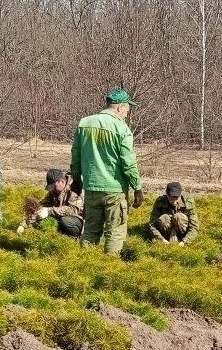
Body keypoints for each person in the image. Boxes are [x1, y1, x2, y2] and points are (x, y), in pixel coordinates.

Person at [69, 88, 143, 255]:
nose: (127, 113)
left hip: (91, 187)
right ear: (120, 107)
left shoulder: (84, 123)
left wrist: (77, 180)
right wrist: (137, 187)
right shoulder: (122, 129)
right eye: (127, 109)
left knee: (90, 230)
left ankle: (86, 265)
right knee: (115, 232)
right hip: (115, 190)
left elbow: (76, 155)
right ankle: (109, 266)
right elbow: (128, 163)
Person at [17, 169, 84, 236]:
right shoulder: (54, 191)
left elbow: (73, 210)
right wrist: (24, 225)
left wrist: (49, 211)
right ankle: (60, 234)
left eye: (54, 187)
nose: (52, 189)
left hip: (78, 219)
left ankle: (76, 237)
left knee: (65, 221)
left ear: (62, 182)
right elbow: (40, 208)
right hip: (61, 216)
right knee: (42, 220)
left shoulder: (74, 189)